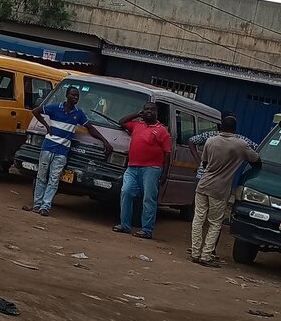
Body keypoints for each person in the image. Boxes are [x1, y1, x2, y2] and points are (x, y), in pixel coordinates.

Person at [23, 86, 112, 217]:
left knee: (54, 179)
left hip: (61, 152)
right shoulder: (54, 107)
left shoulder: (78, 114)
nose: (75, 98)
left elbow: (90, 128)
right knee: (41, 177)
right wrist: (47, 126)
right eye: (73, 95)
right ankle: (37, 205)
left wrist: (104, 141)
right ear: (67, 95)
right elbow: (35, 111)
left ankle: (45, 206)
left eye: (77, 96)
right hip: (47, 148)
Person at [191, 114, 261, 266]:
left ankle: (195, 252)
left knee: (198, 219)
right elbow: (257, 160)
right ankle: (206, 255)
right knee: (215, 223)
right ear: (235, 129)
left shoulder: (210, 141)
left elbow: (204, 164)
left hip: (203, 184)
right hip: (220, 188)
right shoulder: (241, 145)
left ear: (220, 127)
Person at [112, 102, 172, 240]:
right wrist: (137, 114)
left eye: (152, 110)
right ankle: (124, 225)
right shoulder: (137, 125)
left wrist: (164, 174)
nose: (149, 111)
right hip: (132, 167)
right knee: (126, 191)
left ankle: (147, 230)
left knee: (148, 198)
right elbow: (122, 122)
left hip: (152, 169)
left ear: (157, 113)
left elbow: (167, 153)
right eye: (146, 109)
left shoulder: (162, 131)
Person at [188, 112, 256, 182]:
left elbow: (191, 140)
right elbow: (256, 147)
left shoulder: (210, 136)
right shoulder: (240, 140)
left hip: (205, 177)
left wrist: (199, 162)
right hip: (216, 179)